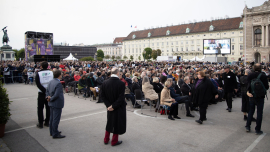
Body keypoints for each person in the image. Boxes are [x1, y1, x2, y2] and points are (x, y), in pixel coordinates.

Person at [101, 68, 126, 146]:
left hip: (110, 106)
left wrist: (109, 105)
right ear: (118, 73)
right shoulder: (121, 83)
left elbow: (102, 96)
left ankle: (106, 139)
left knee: (109, 122)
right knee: (117, 123)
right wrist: (113, 106)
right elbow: (121, 98)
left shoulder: (105, 82)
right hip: (118, 107)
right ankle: (114, 141)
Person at [246, 64, 269, 135]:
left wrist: (248, 92)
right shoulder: (263, 75)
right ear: (261, 68)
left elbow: (248, 85)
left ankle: (248, 126)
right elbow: (266, 87)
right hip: (260, 96)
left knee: (251, 111)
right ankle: (257, 129)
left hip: (252, 95)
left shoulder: (250, 75)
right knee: (259, 113)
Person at [46, 70, 65, 139]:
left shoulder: (51, 81)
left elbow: (47, 91)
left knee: (52, 118)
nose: (62, 75)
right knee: (56, 119)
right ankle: (55, 133)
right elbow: (57, 95)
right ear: (59, 75)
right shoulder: (58, 83)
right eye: (61, 74)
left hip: (51, 103)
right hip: (56, 103)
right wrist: (50, 98)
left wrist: (48, 97)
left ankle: (52, 131)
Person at [35, 61, 53, 129]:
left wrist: (44, 91)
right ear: (48, 66)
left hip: (42, 93)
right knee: (48, 108)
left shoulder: (38, 73)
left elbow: (38, 84)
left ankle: (40, 123)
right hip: (49, 92)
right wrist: (48, 91)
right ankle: (47, 122)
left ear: (41, 66)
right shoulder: (51, 72)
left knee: (40, 108)